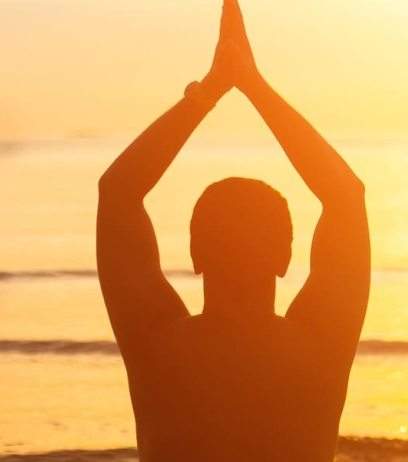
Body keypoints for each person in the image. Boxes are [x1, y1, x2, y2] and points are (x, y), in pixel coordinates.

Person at [95, 1, 369, 460]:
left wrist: (210, 90)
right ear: (284, 259)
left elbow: (118, 192)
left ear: (196, 254)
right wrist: (254, 85)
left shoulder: (157, 346)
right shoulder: (320, 348)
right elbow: (346, 197)